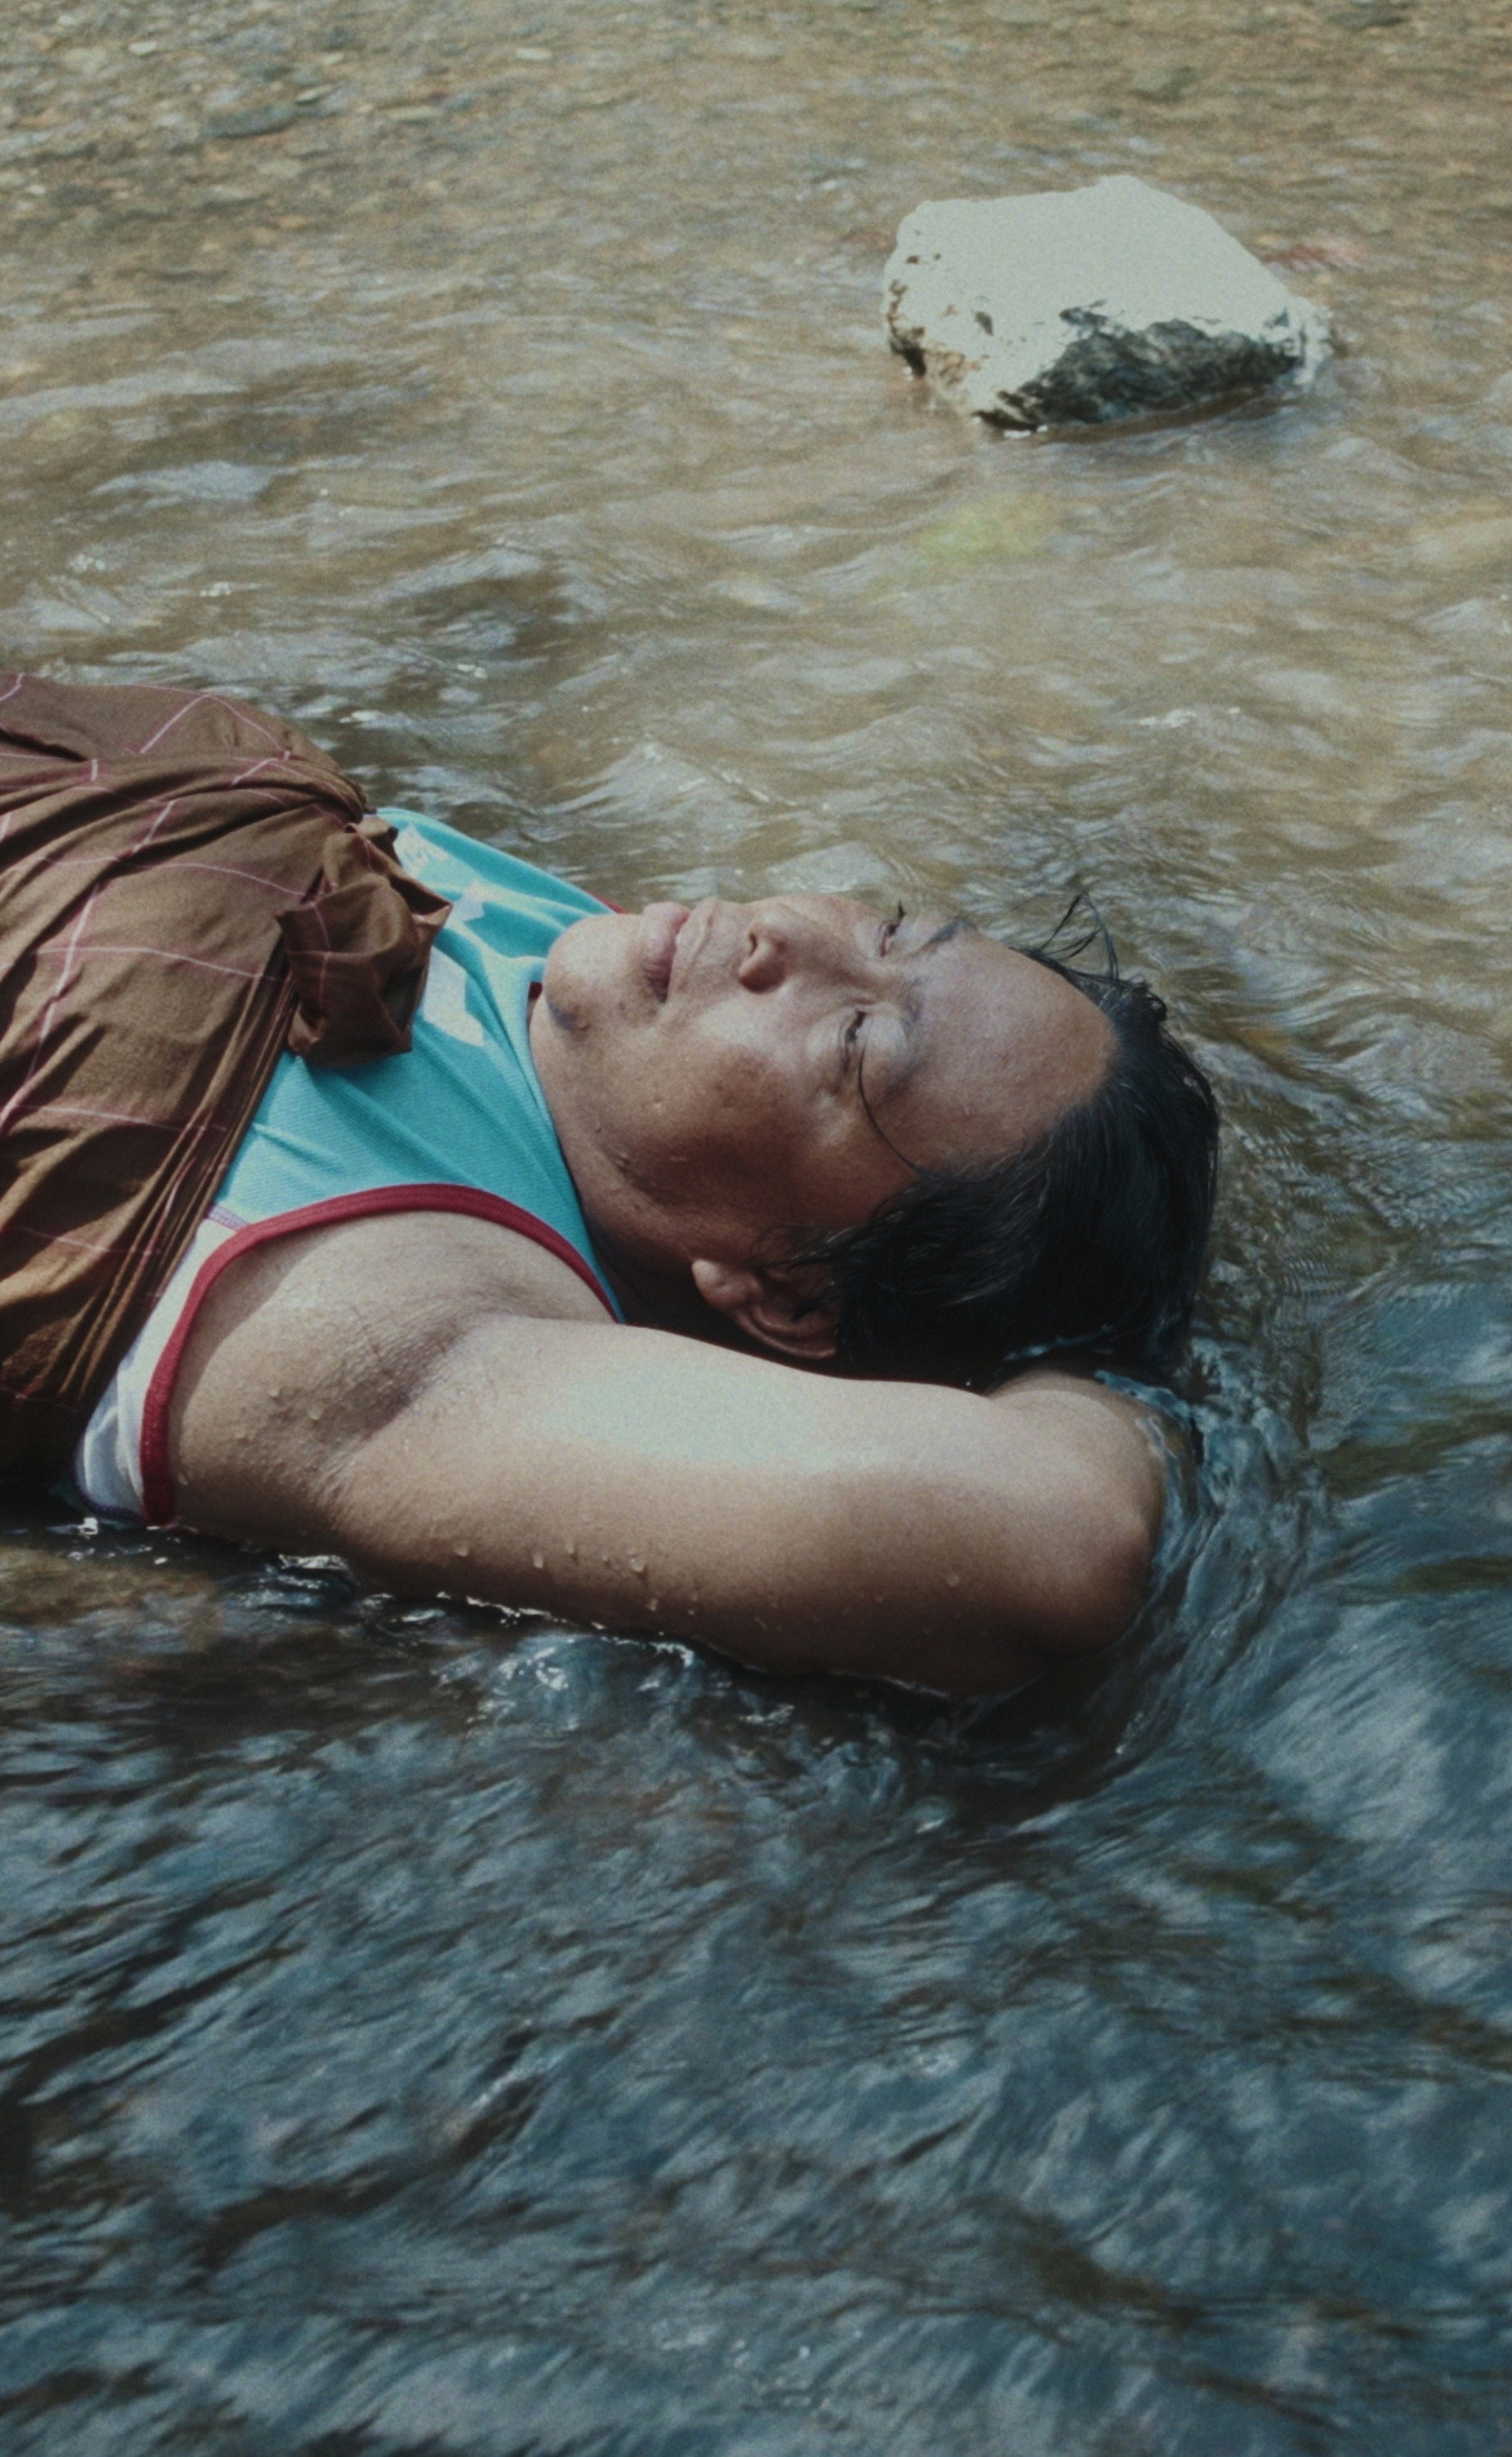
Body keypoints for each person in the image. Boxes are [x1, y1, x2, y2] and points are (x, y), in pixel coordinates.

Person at [3, 678, 1218, 1698]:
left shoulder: (402, 1334)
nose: (785, 932)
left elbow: (1061, 1540)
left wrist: (1122, 1370)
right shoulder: (622, 994)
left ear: (789, 1295)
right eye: (892, 930)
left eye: (853, 1043)